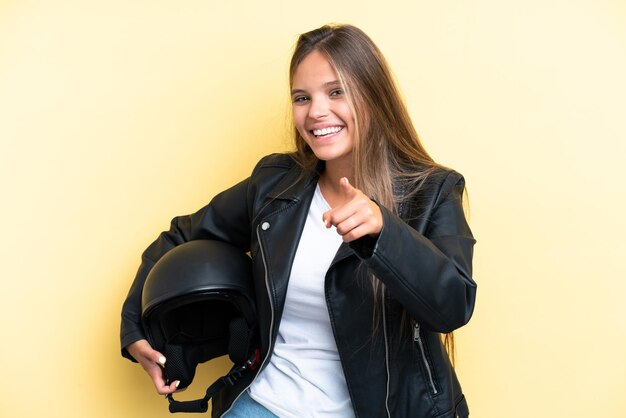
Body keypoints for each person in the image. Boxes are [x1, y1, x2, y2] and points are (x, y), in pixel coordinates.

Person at [121, 23, 476, 418]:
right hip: (267, 406)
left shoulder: (433, 191)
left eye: (336, 91)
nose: (316, 111)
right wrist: (135, 327)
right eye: (302, 97)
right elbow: (179, 236)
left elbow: (453, 306)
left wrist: (384, 232)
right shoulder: (275, 184)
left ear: (373, 96)